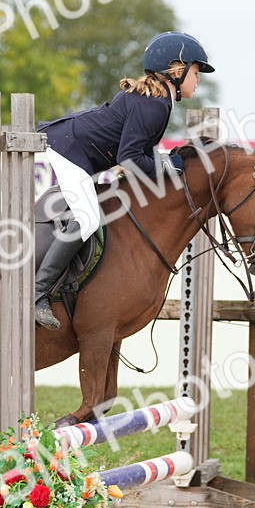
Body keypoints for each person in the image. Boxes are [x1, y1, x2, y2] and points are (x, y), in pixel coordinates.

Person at [32, 31, 213, 331]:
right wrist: (170, 165)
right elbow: (130, 158)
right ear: (177, 70)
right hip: (72, 149)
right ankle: (38, 295)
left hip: (82, 152)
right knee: (88, 219)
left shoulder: (158, 100)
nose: (199, 79)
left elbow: (139, 154)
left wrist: (167, 163)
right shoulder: (153, 104)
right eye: (196, 72)